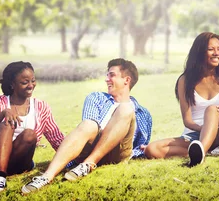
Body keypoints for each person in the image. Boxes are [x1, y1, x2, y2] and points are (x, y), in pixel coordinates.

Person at [21, 58, 152, 194]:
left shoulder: (143, 113)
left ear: (127, 80)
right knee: (89, 123)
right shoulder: (96, 98)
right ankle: (46, 176)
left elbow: (139, 147)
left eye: (112, 75)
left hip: (117, 153)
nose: (107, 79)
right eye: (107, 75)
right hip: (91, 147)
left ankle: (88, 164)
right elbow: (87, 129)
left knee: (125, 109)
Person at [144, 32, 219, 166]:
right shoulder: (185, 81)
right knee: (152, 149)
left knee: (212, 109)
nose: (216, 53)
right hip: (193, 135)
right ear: (199, 52)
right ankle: (206, 152)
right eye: (211, 49)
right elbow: (188, 121)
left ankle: (201, 151)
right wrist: (205, 129)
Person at [0, 61, 64, 193]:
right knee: (7, 124)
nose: (31, 85)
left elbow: (56, 138)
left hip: (19, 161)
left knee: (30, 134)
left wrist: (76, 157)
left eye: (33, 81)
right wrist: (3, 113)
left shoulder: (41, 107)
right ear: (12, 84)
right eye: (24, 82)